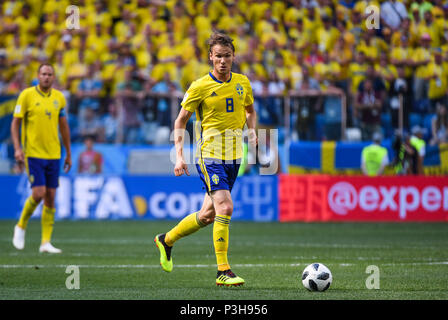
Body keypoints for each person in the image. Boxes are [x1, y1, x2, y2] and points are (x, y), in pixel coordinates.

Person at [154, 32, 257, 287]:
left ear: (233, 57)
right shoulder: (199, 86)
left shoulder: (243, 82)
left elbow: (250, 110)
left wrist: (252, 130)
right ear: (211, 57)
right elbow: (180, 121)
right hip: (209, 154)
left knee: (207, 215)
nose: (222, 61)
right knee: (225, 207)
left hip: (234, 157)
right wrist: (179, 157)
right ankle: (223, 271)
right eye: (218, 56)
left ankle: (166, 240)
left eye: (227, 56)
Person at [11, 63, 72, 253]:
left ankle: (45, 242)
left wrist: (68, 153)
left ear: (54, 77)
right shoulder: (27, 95)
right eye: (43, 74)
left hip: (54, 154)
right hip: (33, 153)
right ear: (38, 76)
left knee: (51, 197)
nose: (46, 77)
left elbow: (63, 126)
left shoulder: (59, 98)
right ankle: (20, 226)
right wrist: (17, 149)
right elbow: (15, 124)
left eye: (50, 74)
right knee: (39, 193)